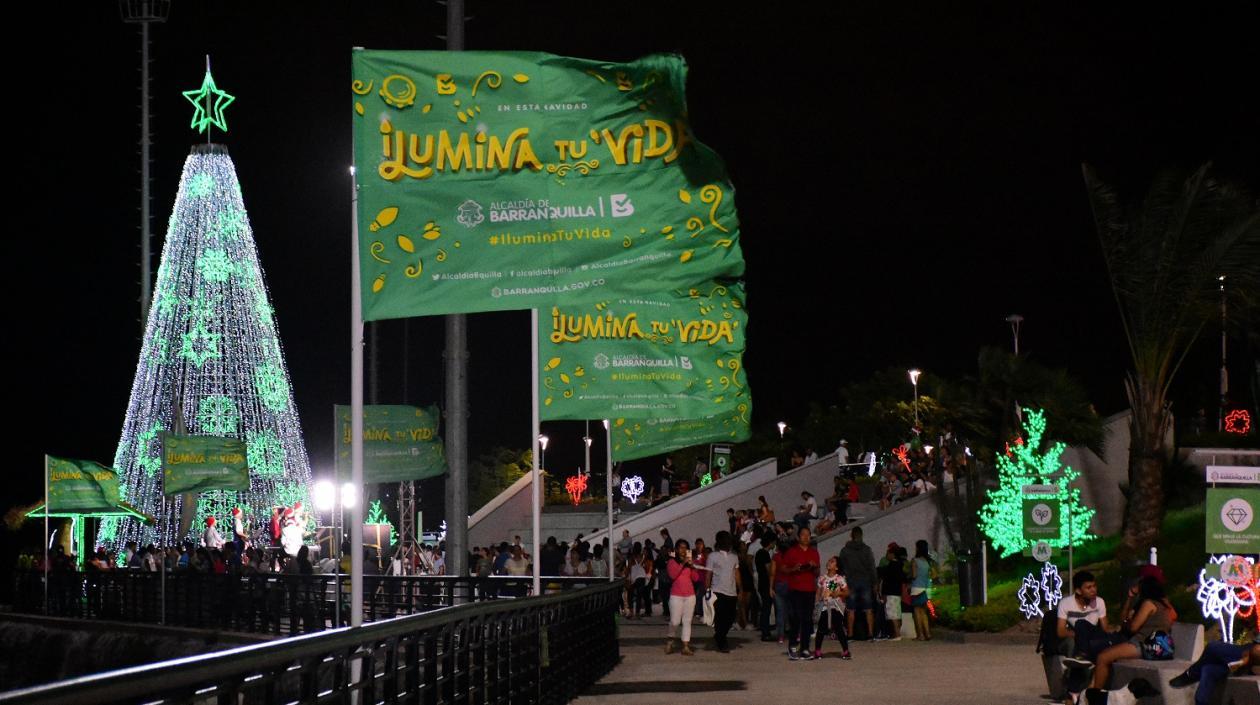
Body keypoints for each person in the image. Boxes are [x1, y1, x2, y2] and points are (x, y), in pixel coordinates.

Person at [1092, 576, 1175, 689]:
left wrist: (1126, 623)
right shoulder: (1163, 606)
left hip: (1143, 644)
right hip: (1159, 647)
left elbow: (1133, 628)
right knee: (1108, 654)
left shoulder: (1148, 604)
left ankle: (1094, 696)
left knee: (1103, 657)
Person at [1169, 631, 1260, 705]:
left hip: (1252, 654)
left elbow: (1256, 650)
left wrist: (1249, 659)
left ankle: (1191, 673)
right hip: (1249, 652)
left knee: (1213, 647)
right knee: (1208, 670)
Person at [782, 526, 821, 660]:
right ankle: (793, 646)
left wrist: (813, 566)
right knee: (796, 618)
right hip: (795, 589)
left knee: (807, 620)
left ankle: (805, 648)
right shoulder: (792, 552)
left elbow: (817, 573)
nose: (806, 537)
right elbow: (783, 569)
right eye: (803, 535)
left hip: (809, 589)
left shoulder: (814, 552)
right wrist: (794, 568)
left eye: (808, 535)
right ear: (798, 537)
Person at [839, 526, 877, 640]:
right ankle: (870, 634)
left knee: (851, 609)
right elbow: (872, 567)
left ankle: (850, 635)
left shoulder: (845, 550)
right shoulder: (867, 549)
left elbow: (841, 566)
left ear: (851, 535)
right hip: (865, 581)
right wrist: (874, 582)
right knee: (868, 609)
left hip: (851, 581)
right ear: (861, 535)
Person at [665, 540, 702, 656]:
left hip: (690, 595)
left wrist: (692, 566)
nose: (683, 550)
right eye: (680, 548)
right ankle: (670, 640)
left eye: (685, 548)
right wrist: (682, 564)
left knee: (687, 621)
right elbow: (673, 575)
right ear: (676, 549)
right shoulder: (672, 562)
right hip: (676, 595)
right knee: (675, 621)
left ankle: (685, 646)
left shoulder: (689, 563)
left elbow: (696, 578)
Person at [707, 531, 741, 652]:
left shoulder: (734, 556)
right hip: (717, 591)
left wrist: (740, 588)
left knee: (730, 617)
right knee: (720, 617)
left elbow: (736, 573)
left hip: (731, 591)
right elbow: (709, 573)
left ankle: (720, 636)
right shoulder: (713, 556)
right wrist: (707, 589)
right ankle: (722, 641)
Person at [814, 556, 852, 659]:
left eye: (832, 561)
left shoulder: (839, 578)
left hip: (836, 606)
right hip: (824, 607)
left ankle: (846, 650)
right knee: (821, 629)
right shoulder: (822, 578)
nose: (829, 562)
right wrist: (816, 603)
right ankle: (817, 650)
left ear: (836, 567)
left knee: (838, 628)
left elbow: (847, 592)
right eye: (829, 560)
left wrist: (839, 592)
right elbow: (818, 593)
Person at [877, 542, 907, 640]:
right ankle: (897, 633)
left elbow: (887, 581)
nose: (886, 555)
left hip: (891, 592)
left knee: (892, 614)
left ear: (892, 554)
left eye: (888, 553)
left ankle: (897, 634)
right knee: (897, 613)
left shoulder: (891, 566)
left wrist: (883, 593)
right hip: (897, 592)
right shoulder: (900, 565)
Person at [909, 539, 935, 641]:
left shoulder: (915, 561)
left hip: (916, 588)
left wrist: (909, 576)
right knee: (924, 612)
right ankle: (928, 633)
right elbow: (933, 574)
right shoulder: (928, 562)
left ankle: (920, 635)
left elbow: (914, 575)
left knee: (917, 612)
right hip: (926, 588)